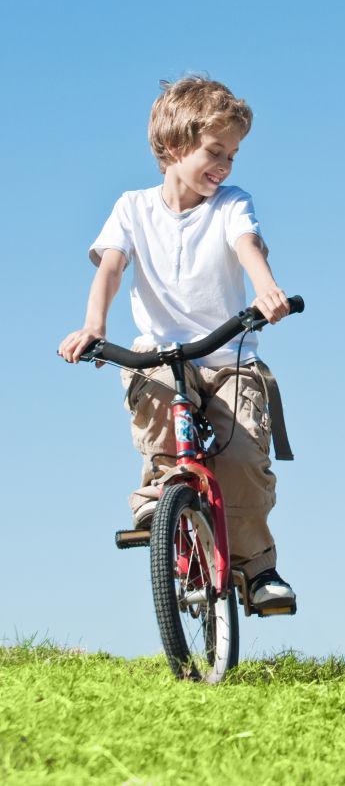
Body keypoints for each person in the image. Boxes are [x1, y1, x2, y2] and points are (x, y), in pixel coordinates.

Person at [58, 75, 296, 610]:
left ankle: (258, 570)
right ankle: (160, 504)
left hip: (228, 355)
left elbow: (247, 244)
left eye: (233, 155)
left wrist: (266, 290)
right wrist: (93, 325)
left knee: (239, 457)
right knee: (163, 421)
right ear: (172, 147)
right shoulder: (132, 208)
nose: (226, 165)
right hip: (158, 354)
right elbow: (112, 269)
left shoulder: (232, 202)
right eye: (216, 151)